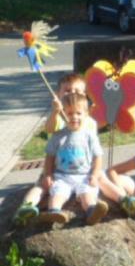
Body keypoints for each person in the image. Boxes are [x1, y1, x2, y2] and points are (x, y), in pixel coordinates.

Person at [13, 73, 98, 226]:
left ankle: (96, 208)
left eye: (77, 91)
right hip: (57, 170)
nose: (72, 94)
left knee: (97, 184)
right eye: (67, 91)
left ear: (85, 95)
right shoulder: (59, 116)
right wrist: (55, 112)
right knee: (41, 187)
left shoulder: (89, 121)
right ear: (58, 94)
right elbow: (50, 129)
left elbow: (94, 151)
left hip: (82, 171)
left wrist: (95, 173)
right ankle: (26, 207)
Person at [37, 93, 108, 225]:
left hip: (84, 175)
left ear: (86, 114)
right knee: (58, 192)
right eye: (69, 113)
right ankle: (53, 211)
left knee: (87, 193)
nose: (74, 117)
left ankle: (92, 212)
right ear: (62, 114)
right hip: (62, 176)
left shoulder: (90, 136)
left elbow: (98, 156)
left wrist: (95, 174)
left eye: (78, 113)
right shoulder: (58, 136)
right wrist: (48, 174)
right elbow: (50, 157)